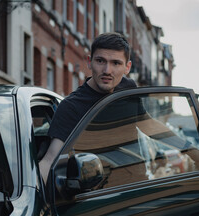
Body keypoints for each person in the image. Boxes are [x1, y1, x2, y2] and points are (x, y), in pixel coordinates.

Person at [39, 32, 135, 182]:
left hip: (134, 184)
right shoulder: (71, 106)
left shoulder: (128, 89)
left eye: (116, 63)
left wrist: (184, 149)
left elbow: (148, 125)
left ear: (127, 67)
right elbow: (50, 159)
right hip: (95, 191)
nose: (107, 71)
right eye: (100, 61)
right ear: (90, 62)